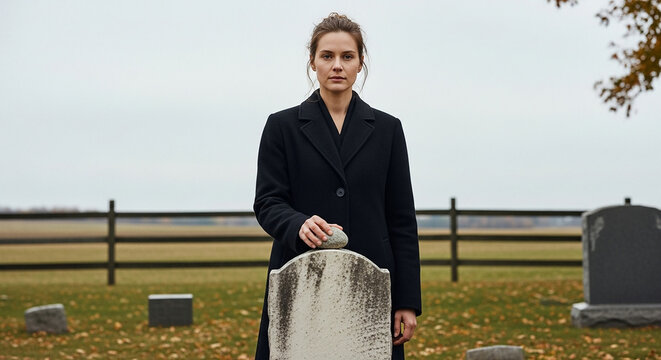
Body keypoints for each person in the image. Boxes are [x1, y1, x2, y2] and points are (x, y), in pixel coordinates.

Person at [253, 12, 421, 360]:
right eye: (327, 56)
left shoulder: (388, 130)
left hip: (373, 279)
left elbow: (401, 220)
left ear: (361, 63)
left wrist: (407, 301)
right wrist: (297, 224)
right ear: (312, 62)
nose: (337, 66)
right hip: (299, 276)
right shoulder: (281, 126)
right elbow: (268, 201)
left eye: (347, 56)